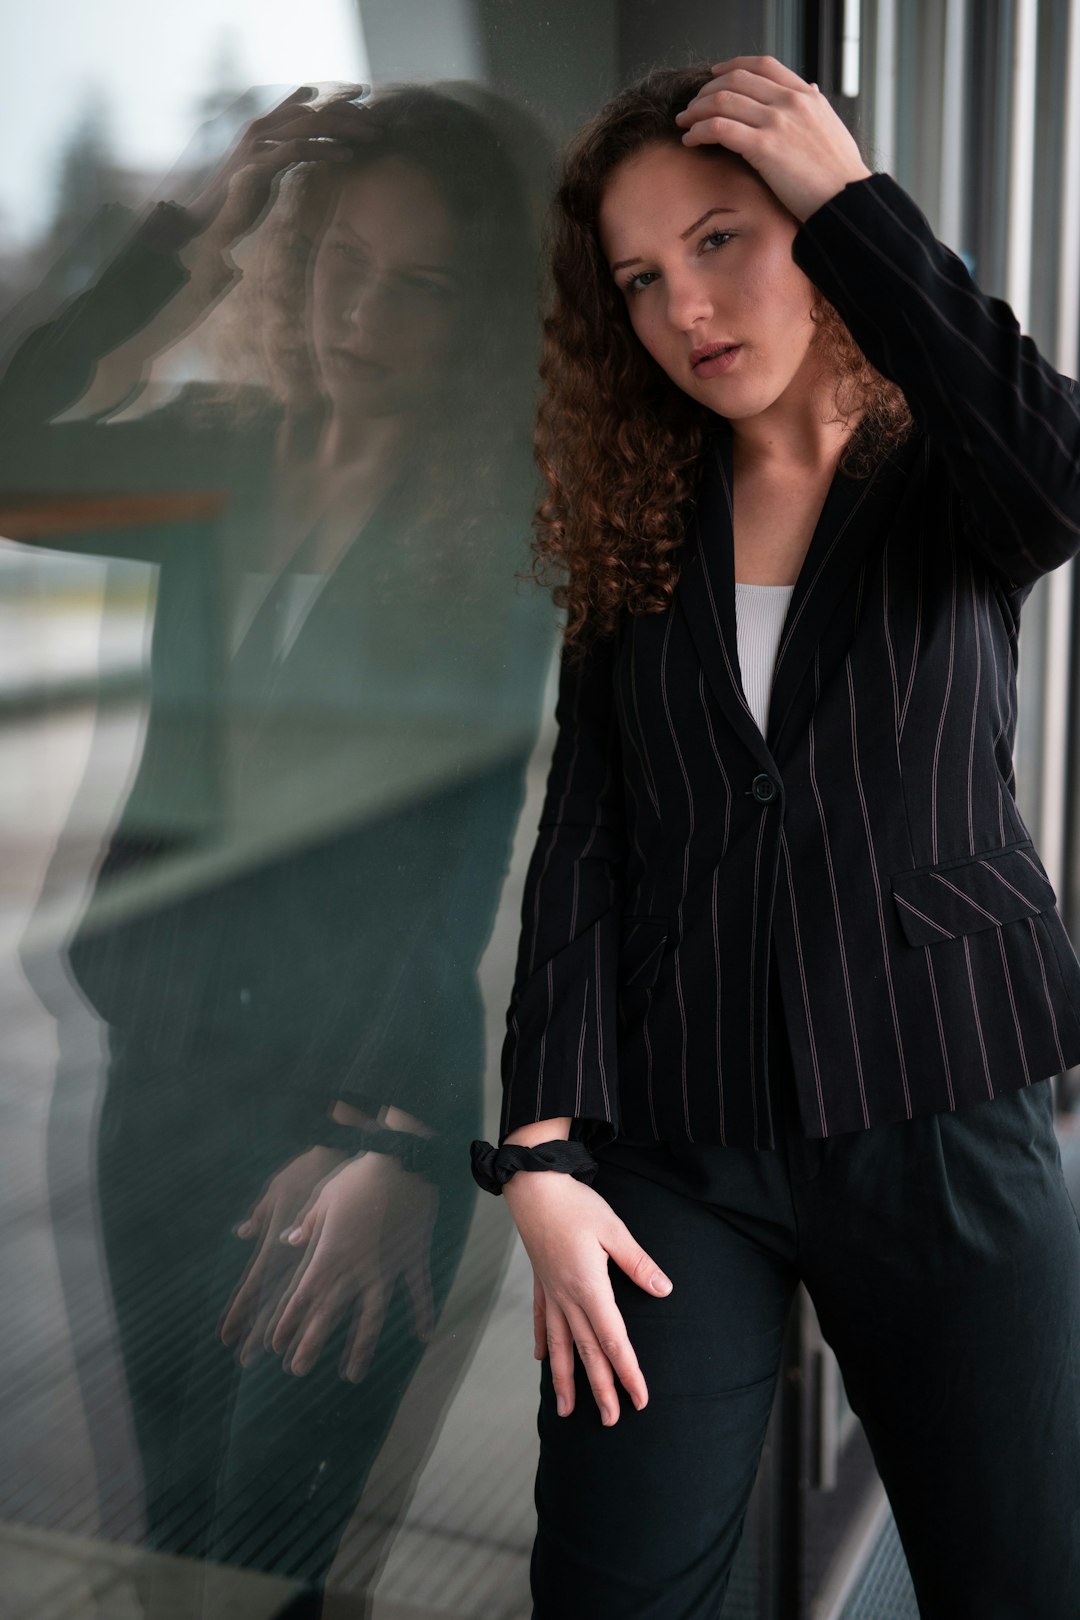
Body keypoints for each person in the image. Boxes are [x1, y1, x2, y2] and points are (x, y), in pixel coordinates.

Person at [468, 56, 1080, 1619]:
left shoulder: (952, 468)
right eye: (642, 280)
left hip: (939, 1100)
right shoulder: (639, 510)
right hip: (679, 1138)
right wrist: (540, 1145)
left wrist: (858, 203)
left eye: (724, 238)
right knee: (614, 1588)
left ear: (808, 218)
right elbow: (588, 829)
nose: (686, 310)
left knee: (1022, 1575)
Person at [0, 80, 554, 1615]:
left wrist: (388, 1135)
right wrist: (190, 230)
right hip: (160, 1075)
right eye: (332, 263)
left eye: (416, 282)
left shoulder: (503, 525)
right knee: (174, 1539)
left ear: (480, 313)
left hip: (350, 1112)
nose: (356, 310)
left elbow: (471, 843)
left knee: (268, 1559)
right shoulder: (218, 455)